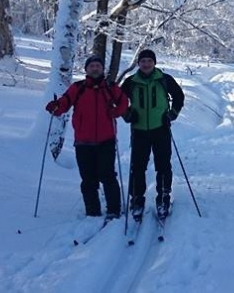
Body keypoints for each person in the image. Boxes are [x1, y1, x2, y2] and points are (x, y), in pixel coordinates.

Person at [45, 55, 129, 220]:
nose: (95, 68)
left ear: (102, 69)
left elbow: (124, 102)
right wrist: (56, 107)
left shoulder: (111, 87)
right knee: (88, 179)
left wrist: (116, 112)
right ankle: (92, 211)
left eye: (98, 65)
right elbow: (64, 102)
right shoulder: (78, 88)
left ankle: (114, 209)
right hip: (83, 141)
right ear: (87, 69)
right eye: (92, 66)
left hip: (106, 140)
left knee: (108, 176)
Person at [121, 49, 184, 220]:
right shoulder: (131, 81)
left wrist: (172, 114)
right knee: (138, 167)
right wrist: (127, 114)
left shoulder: (164, 79)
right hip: (139, 130)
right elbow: (118, 100)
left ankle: (163, 199)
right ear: (139, 63)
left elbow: (179, 96)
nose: (146, 64)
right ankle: (137, 201)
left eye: (149, 61)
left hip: (161, 128)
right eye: (143, 61)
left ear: (154, 63)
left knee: (163, 165)